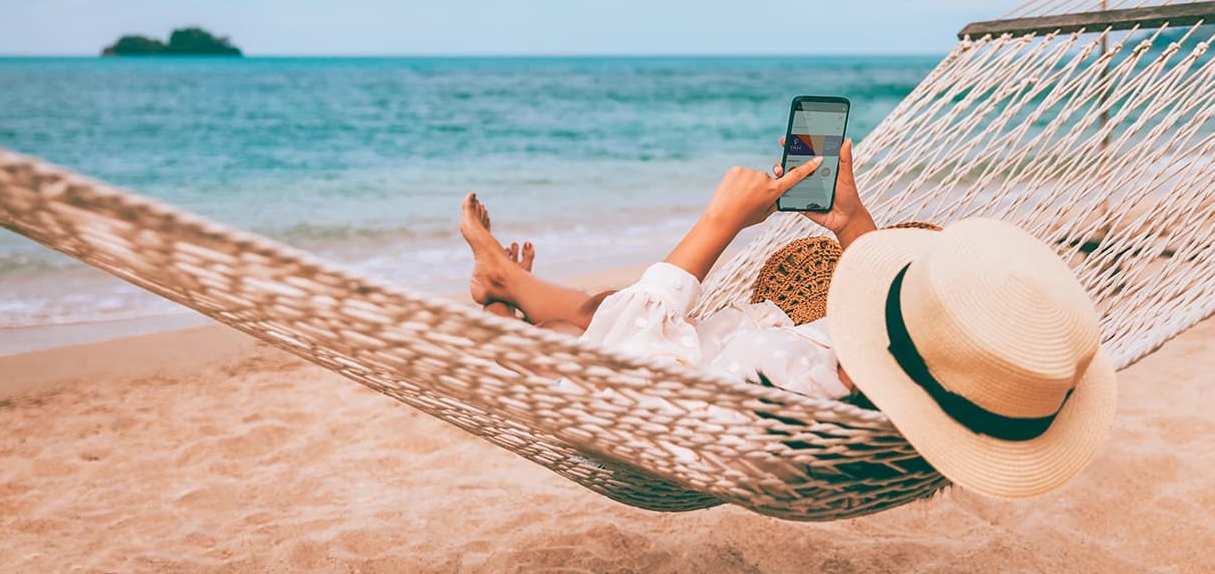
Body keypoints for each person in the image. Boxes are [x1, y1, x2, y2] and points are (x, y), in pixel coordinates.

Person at [462, 138, 1118, 499]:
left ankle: (503, 307)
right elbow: (907, 315)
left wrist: (718, 225)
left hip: (663, 389)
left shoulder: (802, 417)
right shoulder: (950, 373)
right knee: (607, 311)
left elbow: (639, 366)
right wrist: (852, 223)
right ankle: (510, 282)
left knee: (575, 338)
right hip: (716, 345)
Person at [462, 137, 875, 400]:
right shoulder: (881, 351)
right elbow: (887, 310)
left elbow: (639, 356)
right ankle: (503, 288)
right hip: (700, 348)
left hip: (647, 391)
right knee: (598, 315)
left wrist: (722, 221)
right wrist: (850, 219)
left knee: (560, 345)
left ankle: (500, 296)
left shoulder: (812, 402)